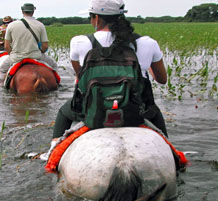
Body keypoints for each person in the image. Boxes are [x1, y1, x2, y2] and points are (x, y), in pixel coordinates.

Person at [52, 0, 168, 139]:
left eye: (90, 17)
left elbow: (81, 78)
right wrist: (147, 68)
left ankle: (52, 150)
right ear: (121, 16)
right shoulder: (148, 43)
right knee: (155, 114)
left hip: (95, 108)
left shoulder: (79, 42)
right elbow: (162, 79)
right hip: (135, 110)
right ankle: (174, 154)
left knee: (63, 113)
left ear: (96, 18)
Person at [0, 3, 57, 84]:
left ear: (22, 11)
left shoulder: (11, 25)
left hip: (16, 58)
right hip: (36, 56)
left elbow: (7, 46)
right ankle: (58, 84)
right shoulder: (40, 25)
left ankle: (2, 87)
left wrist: (12, 55)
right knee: (54, 65)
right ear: (33, 11)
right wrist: (39, 52)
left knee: (1, 70)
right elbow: (45, 46)